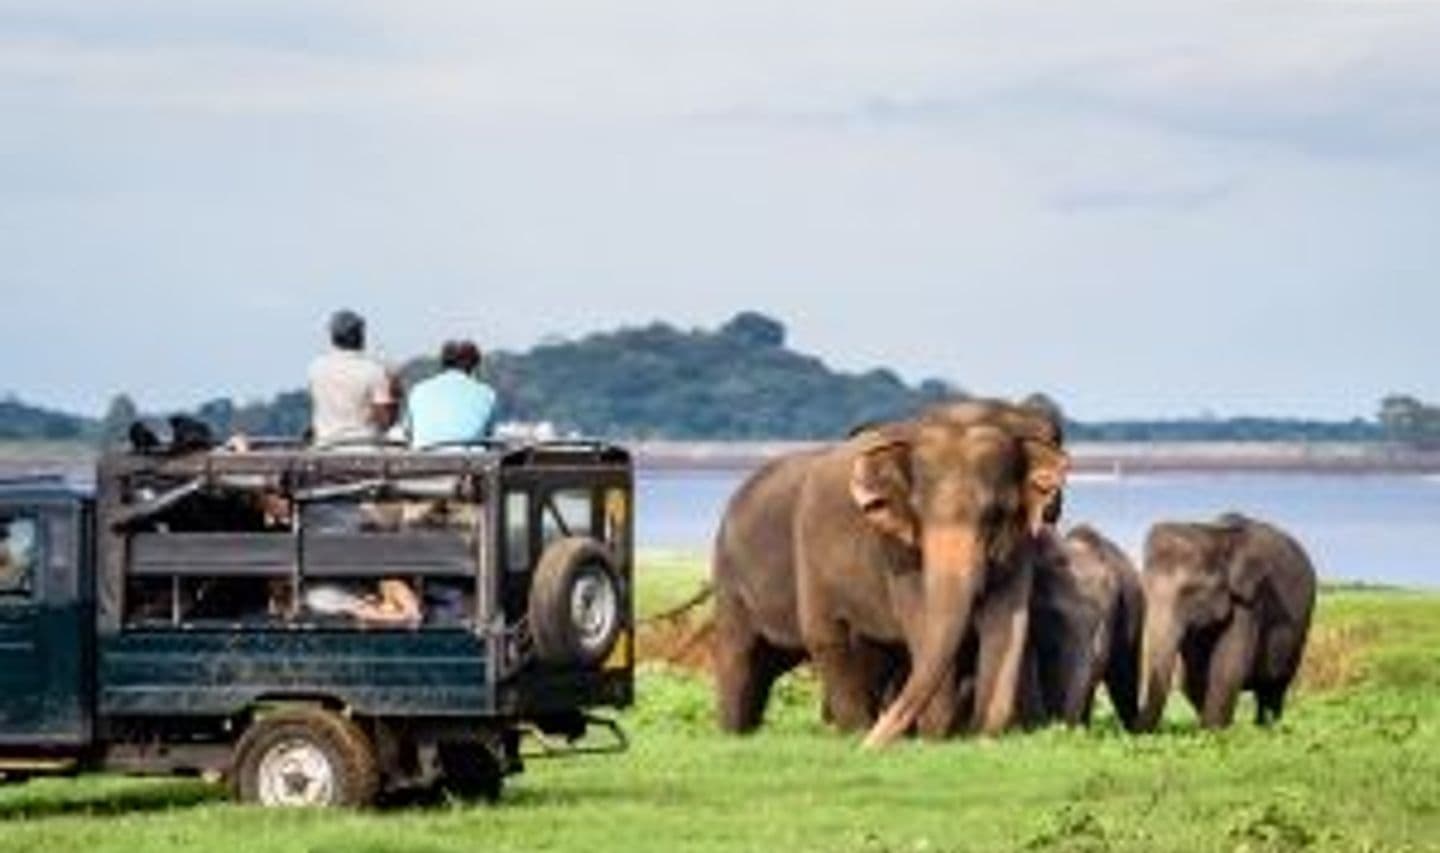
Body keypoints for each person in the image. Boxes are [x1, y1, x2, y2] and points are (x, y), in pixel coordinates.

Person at [307, 309, 398, 447]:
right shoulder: (374, 371)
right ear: (360, 336)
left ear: (333, 337)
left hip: (325, 446)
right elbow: (386, 421)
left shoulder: (316, 369)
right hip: (364, 447)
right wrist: (395, 390)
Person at [406, 339, 497, 449]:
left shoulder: (418, 391)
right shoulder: (487, 394)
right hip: (470, 463)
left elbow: (409, 433)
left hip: (424, 462)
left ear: (443, 363)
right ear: (474, 366)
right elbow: (489, 435)